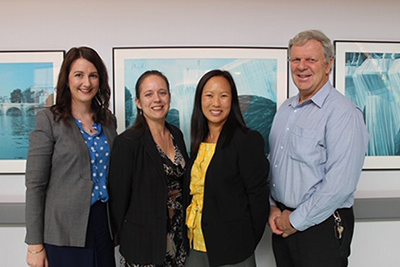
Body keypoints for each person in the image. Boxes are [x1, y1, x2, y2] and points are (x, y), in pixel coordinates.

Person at [268, 30, 369, 267]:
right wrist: (272, 208)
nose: (302, 66)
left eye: (310, 59)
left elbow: (339, 185)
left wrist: (294, 221)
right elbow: (274, 165)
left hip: (321, 227)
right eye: (296, 59)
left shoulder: (343, 113)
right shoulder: (285, 110)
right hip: (281, 222)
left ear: (328, 65)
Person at [25, 46, 117, 267]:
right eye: (79, 75)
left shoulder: (107, 120)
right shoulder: (48, 120)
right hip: (63, 233)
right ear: (67, 80)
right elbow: (35, 185)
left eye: (93, 75)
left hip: (103, 226)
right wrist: (35, 245)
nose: (86, 82)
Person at [183, 70, 270, 267]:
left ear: (232, 100)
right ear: (200, 100)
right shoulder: (199, 142)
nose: (216, 103)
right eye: (209, 95)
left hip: (232, 252)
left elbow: (258, 199)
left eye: (223, 95)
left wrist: (244, 244)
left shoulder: (247, 140)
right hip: (195, 246)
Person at [108, 70, 188, 267]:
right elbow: (118, 200)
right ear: (138, 102)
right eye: (149, 94)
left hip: (177, 235)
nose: (157, 99)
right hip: (143, 241)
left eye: (162, 92)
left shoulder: (176, 134)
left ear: (169, 96)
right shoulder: (127, 142)